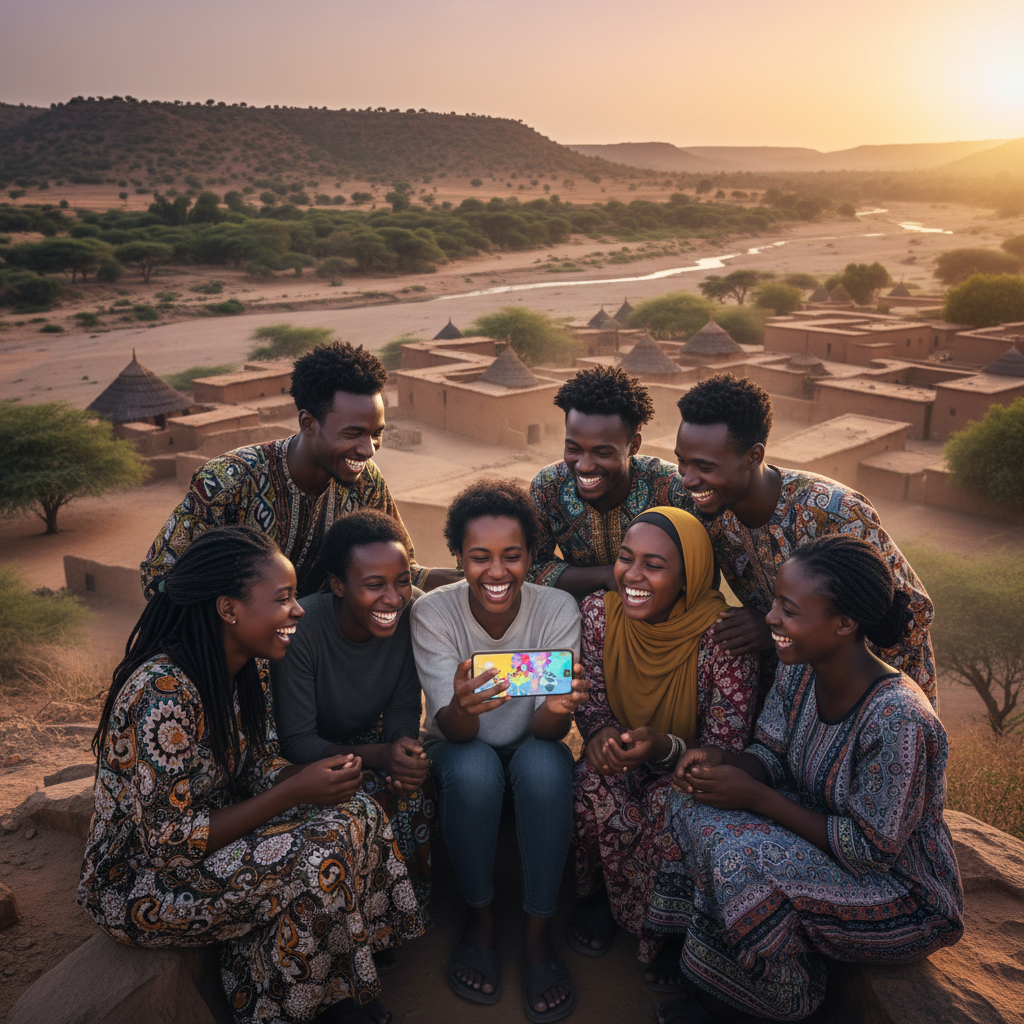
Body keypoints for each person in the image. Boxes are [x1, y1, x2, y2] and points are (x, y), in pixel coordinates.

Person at [80, 526, 421, 1024]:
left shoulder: (247, 669)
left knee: (356, 808)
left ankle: (310, 975)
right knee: (317, 852)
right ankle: (291, 1009)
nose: (299, 610)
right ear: (229, 609)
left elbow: (259, 763)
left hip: (212, 842)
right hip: (139, 882)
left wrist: (312, 778)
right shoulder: (164, 693)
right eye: (283, 599)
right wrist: (293, 792)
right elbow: (170, 842)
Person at [649, 536, 963, 1023]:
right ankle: (699, 959)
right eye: (776, 602)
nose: (770, 617)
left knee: (740, 862)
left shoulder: (899, 718)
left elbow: (872, 851)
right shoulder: (801, 669)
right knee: (693, 801)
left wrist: (754, 796)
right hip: (823, 842)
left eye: (789, 610)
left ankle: (780, 999)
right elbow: (769, 754)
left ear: (844, 624)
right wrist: (721, 762)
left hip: (902, 896)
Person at [411, 479, 589, 1023]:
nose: (496, 572)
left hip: (532, 742)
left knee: (543, 765)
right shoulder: (433, 614)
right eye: (479, 557)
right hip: (458, 750)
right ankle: (480, 916)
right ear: (458, 557)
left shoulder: (557, 607)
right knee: (473, 770)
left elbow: (547, 731)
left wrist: (561, 707)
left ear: (531, 557)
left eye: (512, 557)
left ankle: (538, 931)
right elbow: (457, 735)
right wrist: (463, 708)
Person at [568, 507, 759, 993]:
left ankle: (671, 931)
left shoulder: (721, 637)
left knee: (670, 805)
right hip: (626, 754)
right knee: (591, 782)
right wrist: (600, 734)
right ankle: (602, 900)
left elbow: (725, 745)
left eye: (653, 565)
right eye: (625, 559)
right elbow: (590, 701)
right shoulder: (599, 614)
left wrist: (664, 747)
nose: (632, 576)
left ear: (687, 576)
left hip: (687, 768)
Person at [674, 373, 936, 706]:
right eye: (682, 462)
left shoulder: (836, 512)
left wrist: (776, 629)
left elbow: (910, 617)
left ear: (754, 456)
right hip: (785, 683)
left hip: (876, 694)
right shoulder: (707, 507)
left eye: (704, 466)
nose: (688, 478)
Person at [141, 341, 462, 600]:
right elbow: (159, 576)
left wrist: (453, 581)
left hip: (319, 650)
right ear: (308, 423)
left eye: (376, 433)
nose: (368, 448)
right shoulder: (228, 480)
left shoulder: (366, 483)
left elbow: (397, 567)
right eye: (353, 434)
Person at [272, 509, 434, 915]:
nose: (393, 597)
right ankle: (359, 923)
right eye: (374, 585)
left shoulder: (412, 612)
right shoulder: (303, 631)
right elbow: (297, 740)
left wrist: (403, 748)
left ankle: (407, 914)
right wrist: (382, 756)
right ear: (338, 585)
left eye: (402, 581)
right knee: (362, 804)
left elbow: (401, 705)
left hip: (370, 742)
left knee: (416, 790)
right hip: (313, 757)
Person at [529, 365, 696, 598]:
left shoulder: (674, 489)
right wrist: (607, 575)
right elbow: (533, 567)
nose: (584, 466)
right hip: (577, 617)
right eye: (573, 448)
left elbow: (698, 575)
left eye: (603, 453)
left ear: (634, 446)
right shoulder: (548, 487)